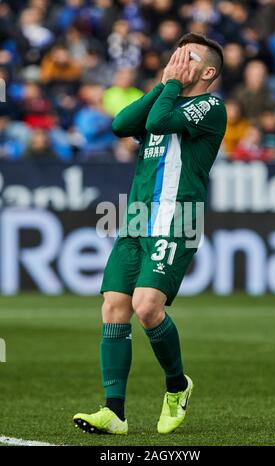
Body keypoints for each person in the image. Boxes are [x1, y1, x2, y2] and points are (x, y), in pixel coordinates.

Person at [73, 33, 227, 435]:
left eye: (188, 56)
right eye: (175, 53)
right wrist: (163, 84)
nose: (177, 60)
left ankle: (178, 386)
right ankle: (114, 412)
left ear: (207, 71)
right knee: (114, 306)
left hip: (176, 218)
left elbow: (158, 121)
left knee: (146, 307)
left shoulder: (210, 106)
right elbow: (121, 124)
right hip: (136, 218)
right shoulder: (167, 96)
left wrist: (170, 85)